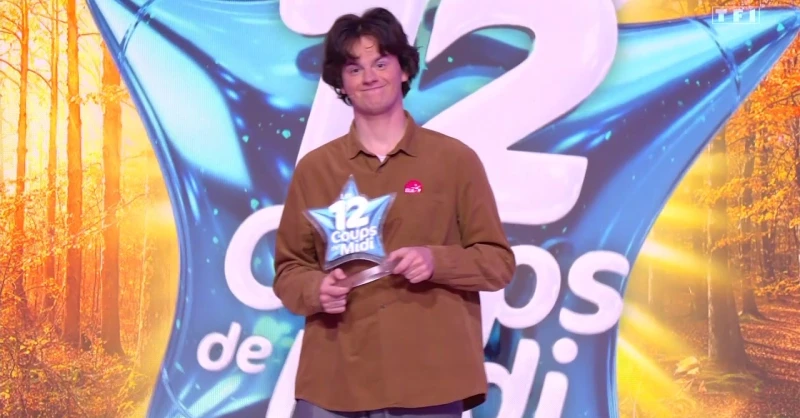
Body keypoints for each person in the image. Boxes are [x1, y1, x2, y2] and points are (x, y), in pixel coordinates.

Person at [273, 7, 516, 418]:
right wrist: (316, 289)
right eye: (354, 68)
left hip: (430, 379)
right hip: (336, 380)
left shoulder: (454, 161)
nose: (369, 76)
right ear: (341, 83)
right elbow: (289, 270)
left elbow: (497, 263)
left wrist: (435, 260)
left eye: (381, 63)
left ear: (403, 70)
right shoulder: (316, 169)